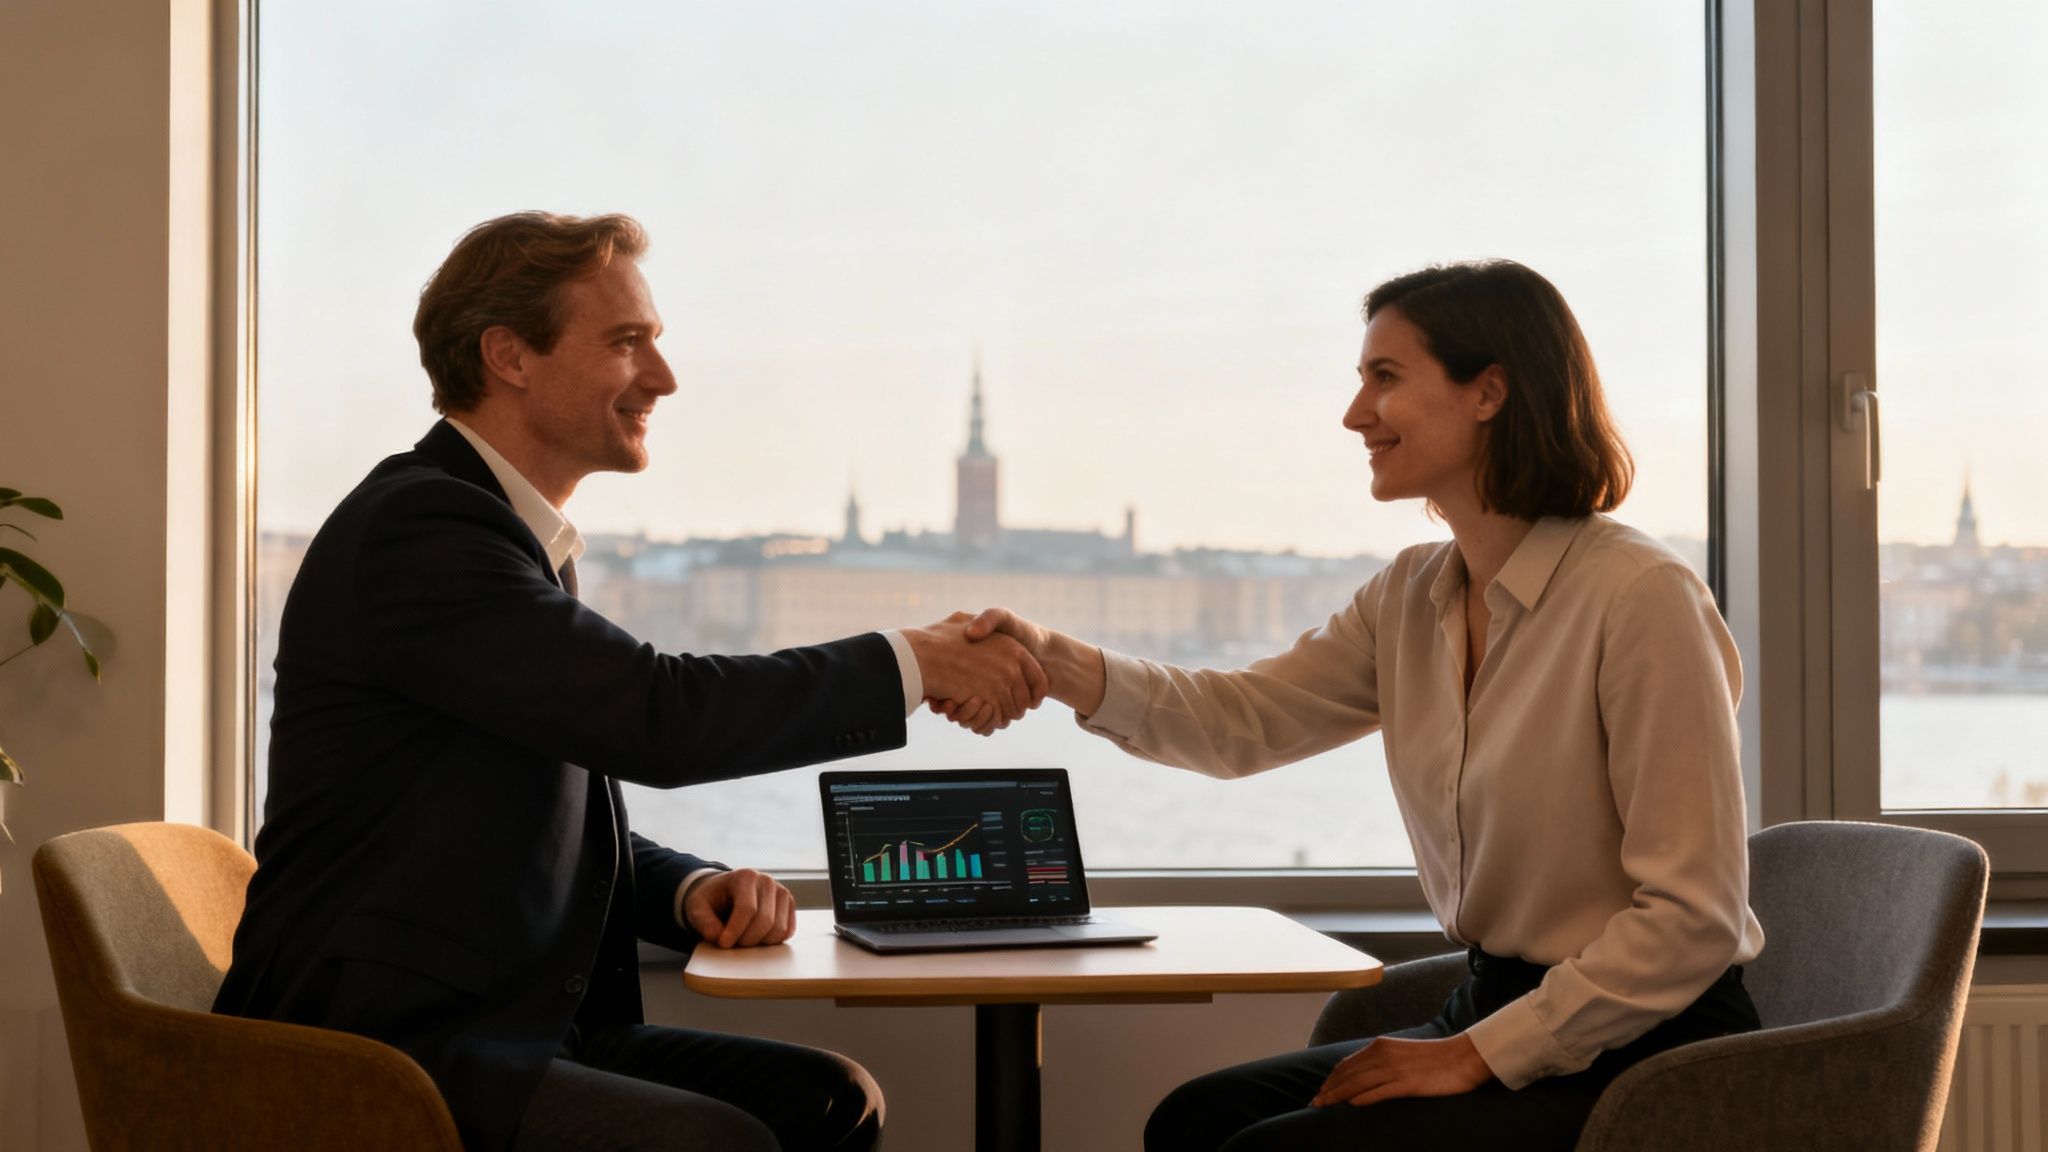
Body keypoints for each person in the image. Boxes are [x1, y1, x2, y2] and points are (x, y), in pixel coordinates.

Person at [214, 211, 1047, 1152]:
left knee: (829, 1101)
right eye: (626, 342)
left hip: (508, 1028)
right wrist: (915, 661)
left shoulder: (506, 535)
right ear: (508, 356)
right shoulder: (425, 533)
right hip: (394, 1050)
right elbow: (658, 715)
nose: (663, 376)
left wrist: (686, 890)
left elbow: (555, 795)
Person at [948, 260, 1764, 1151]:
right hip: (1490, 1003)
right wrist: (1053, 660)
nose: (1354, 414)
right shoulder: (1411, 595)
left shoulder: (1640, 596)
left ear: (1488, 391)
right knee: (1195, 1122)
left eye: (1386, 378)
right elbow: (1241, 722)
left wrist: (1478, 1056)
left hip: (1638, 1045)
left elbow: (1695, 919)